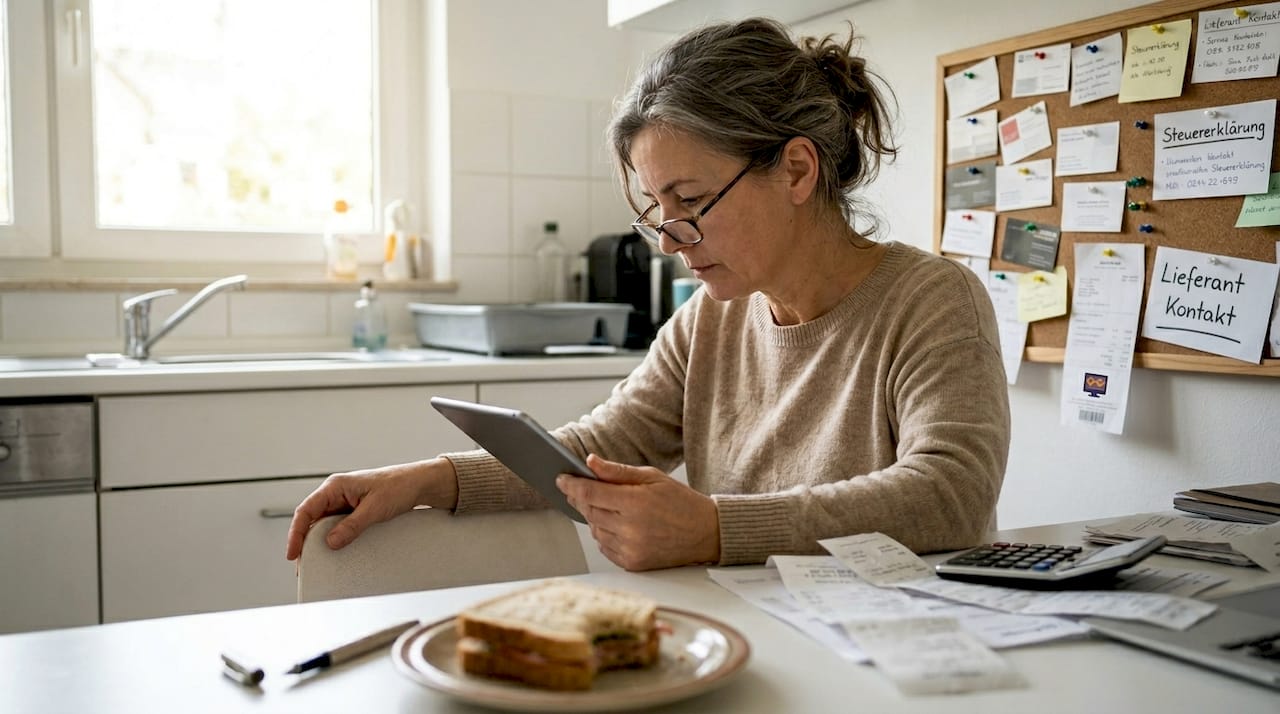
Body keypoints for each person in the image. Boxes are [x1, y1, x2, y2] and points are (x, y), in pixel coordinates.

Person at [286, 17, 1010, 572]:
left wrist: (716, 529)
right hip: (765, 631)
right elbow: (598, 449)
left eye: (689, 200)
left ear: (795, 171)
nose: (669, 239)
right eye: (657, 210)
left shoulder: (933, 299)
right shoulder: (711, 320)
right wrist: (427, 480)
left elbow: (948, 493)